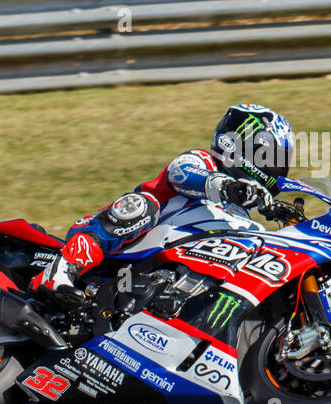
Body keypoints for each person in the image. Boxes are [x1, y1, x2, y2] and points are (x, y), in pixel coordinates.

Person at [33, 104, 294, 295]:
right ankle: (60, 271)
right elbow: (181, 174)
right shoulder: (201, 162)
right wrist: (226, 186)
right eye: (270, 156)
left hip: (157, 283)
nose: (276, 167)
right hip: (119, 252)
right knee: (142, 206)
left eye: (280, 160)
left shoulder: (243, 221)